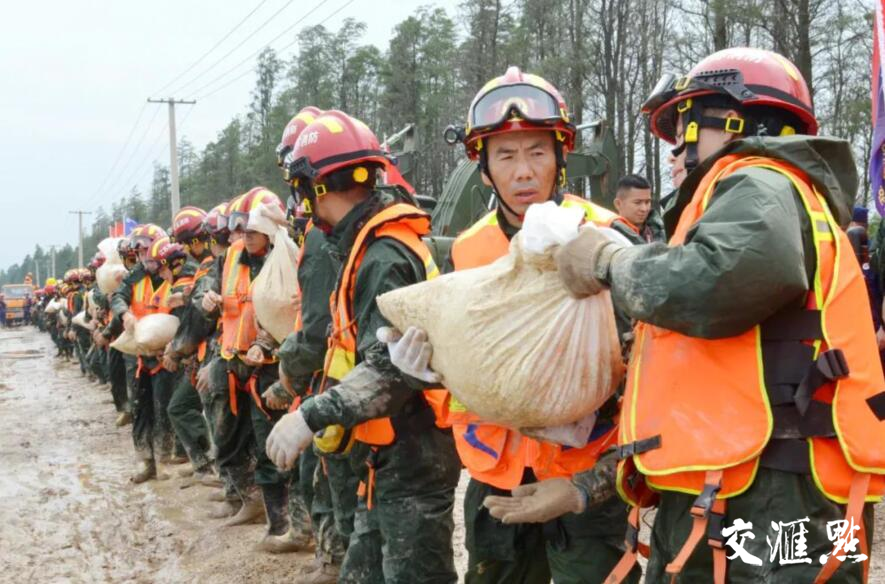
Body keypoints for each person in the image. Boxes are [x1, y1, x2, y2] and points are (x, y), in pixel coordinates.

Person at [494, 47, 885, 583]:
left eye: (685, 128)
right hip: (753, 481)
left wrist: (611, 261)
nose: (676, 151)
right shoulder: (771, 194)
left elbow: (720, 281)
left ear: (734, 120)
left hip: (771, 494)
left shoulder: (760, 182)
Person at [388, 67, 640, 583]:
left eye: (537, 152)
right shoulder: (468, 249)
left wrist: (588, 487)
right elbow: (464, 358)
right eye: (505, 155)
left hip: (583, 480)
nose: (523, 171)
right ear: (483, 169)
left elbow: (650, 378)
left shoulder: (607, 239)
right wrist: (427, 375)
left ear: (561, 158)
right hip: (495, 473)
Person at [267, 110, 462, 584]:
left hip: (413, 456)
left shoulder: (382, 255)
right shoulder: (363, 244)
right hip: (387, 456)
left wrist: (309, 415)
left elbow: (390, 370)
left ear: (313, 187)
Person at [196, 187, 303, 547]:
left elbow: (288, 311)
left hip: (268, 368)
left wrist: (264, 344)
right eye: (241, 233)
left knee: (269, 444)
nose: (244, 238)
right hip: (230, 361)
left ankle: (279, 524)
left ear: (269, 234)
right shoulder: (230, 258)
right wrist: (205, 299)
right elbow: (207, 290)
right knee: (225, 438)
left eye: (251, 233)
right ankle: (246, 497)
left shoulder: (286, 259)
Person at [111, 223, 178, 483]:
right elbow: (117, 296)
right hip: (140, 355)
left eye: (148, 253)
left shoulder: (173, 274)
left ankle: (164, 461)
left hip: (167, 356)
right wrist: (125, 313)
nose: (144, 259)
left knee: (164, 410)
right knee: (140, 410)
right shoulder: (136, 276)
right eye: (139, 255)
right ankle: (145, 462)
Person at [162, 206, 215, 482]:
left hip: (214, 353)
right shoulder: (205, 269)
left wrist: (178, 349)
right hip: (205, 353)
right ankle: (208, 468)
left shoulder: (209, 267)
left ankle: (209, 467)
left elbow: (200, 318)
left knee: (190, 409)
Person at [613, 174, 661, 242]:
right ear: (618, 204)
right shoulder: (608, 236)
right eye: (637, 202)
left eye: (647, 202)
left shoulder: (662, 234)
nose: (644, 209)